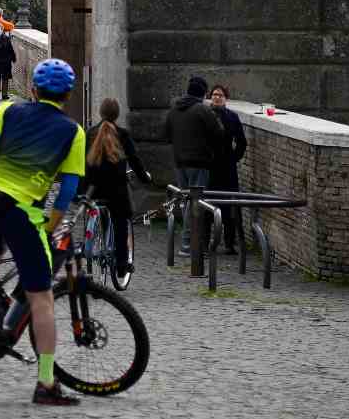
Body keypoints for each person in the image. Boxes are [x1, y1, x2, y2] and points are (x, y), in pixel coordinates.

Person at [0, 59, 85, 405]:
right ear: (68, 95)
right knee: (41, 298)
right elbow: (69, 189)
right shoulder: (73, 132)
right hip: (20, 209)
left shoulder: (8, 110)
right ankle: (46, 384)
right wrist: (51, 225)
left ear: (33, 89)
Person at [82, 99, 152, 277]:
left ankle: (94, 239)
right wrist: (145, 178)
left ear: (100, 112)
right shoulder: (122, 134)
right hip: (115, 189)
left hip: (92, 189)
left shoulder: (89, 133)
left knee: (97, 213)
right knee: (121, 222)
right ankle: (121, 265)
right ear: (117, 114)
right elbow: (134, 160)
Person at [163, 76, 226, 257]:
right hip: (199, 163)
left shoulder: (174, 110)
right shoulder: (202, 110)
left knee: (185, 203)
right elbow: (219, 133)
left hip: (180, 163)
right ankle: (189, 245)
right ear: (203, 93)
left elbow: (166, 134)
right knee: (196, 205)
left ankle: (186, 242)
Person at [209, 84, 247, 254]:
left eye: (220, 95)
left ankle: (230, 243)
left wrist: (234, 157)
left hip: (227, 166)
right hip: (209, 165)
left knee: (230, 205)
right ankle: (204, 242)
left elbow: (241, 141)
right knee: (208, 203)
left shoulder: (232, 117)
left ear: (226, 98)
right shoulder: (205, 115)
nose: (217, 97)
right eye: (215, 95)